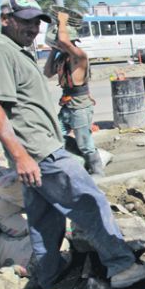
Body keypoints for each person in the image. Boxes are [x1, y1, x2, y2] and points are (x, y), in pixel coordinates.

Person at [0, 0, 145, 289]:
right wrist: (20, 156)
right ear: (5, 19)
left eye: (36, 22)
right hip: (39, 151)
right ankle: (121, 265)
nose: (32, 28)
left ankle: (49, 274)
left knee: (44, 216)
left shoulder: (17, 50)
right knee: (89, 201)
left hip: (39, 148)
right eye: (24, 22)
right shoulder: (0, 51)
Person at [42, 10, 105, 176]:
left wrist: (62, 21)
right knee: (56, 135)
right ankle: (81, 162)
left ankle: (98, 171)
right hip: (68, 104)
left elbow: (63, 39)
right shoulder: (62, 57)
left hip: (80, 106)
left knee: (85, 142)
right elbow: (47, 73)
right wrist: (53, 50)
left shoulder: (80, 56)